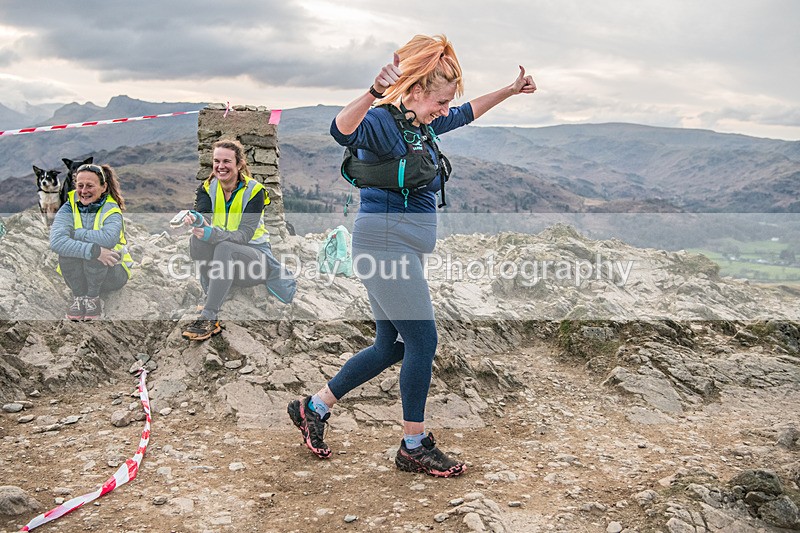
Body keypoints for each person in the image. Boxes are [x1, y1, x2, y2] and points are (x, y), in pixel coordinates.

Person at [288, 34, 536, 477]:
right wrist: (373, 91)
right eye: (439, 101)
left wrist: (509, 90)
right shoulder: (383, 120)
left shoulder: (417, 124)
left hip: (394, 246)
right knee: (422, 341)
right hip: (386, 245)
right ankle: (413, 445)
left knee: (390, 344)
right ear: (416, 91)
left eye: (445, 104)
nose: (444, 110)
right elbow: (340, 129)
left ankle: (314, 408)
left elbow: (464, 114)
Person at [180, 139, 281, 341]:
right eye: (216, 161)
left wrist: (212, 234)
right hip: (225, 264)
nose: (220, 166)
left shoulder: (255, 191)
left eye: (226, 161)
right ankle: (211, 291)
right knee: (197, 240)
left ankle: (209, 317)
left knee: (225, 246)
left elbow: (244, 235)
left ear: (239, 164)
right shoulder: (207, 187)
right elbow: (205, 218)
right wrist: (196, 220)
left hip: (254, 263)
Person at [49, 163, 133, 321]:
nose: (84, 191)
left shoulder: (111, 209)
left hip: (113, 274)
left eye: (90, 186)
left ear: (103, 187)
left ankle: (93, 299)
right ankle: (79, 297)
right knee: (69, 252)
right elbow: (56, 242)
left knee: (98, 250)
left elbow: (108, 239)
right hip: (80, 275)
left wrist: (77, 234)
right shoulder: (69, 206)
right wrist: (94, 250)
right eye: (80, 185)